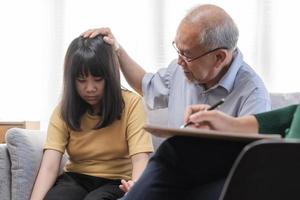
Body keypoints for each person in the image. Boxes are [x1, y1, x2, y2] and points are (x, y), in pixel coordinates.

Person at [82, 4, 271, 128]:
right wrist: (117, 49)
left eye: (187, 54)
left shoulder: (253, 94)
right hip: (173, 170)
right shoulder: (180, 70)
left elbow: (250, 164)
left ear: (219, 57)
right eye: (177, 49)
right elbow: (145, 86)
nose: (179, 61)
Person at [30, 35, 154, 200]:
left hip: (118, 180)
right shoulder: (63, 110)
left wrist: (136, 189)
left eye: (98, 79)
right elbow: (49, 167)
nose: (90, 88)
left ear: (110, 77)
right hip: (76, 178)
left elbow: (140, 159)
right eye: (81, 80)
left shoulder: (131, 104)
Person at [119, 103, 300, 200]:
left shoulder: (251, 87)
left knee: (176, 155)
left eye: (187, 54)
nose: (181, 61)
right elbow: (293, 115)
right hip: (280, 157)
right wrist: (232, 125)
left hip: (282, 168)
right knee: (178, 149)